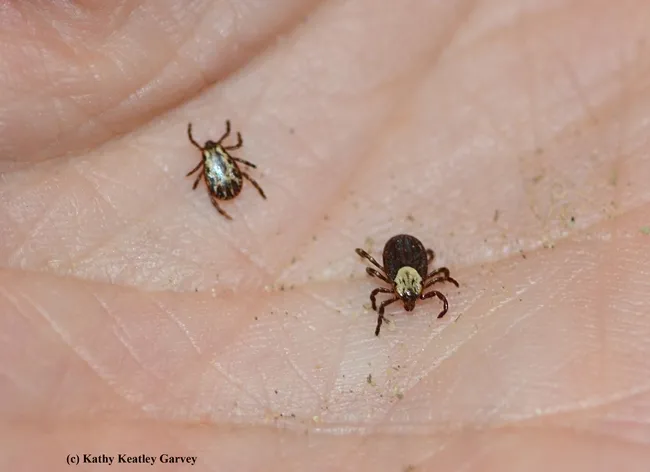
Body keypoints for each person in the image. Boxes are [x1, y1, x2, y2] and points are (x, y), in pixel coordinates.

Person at [2, 1, 648, 470]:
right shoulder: (410, 275)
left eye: (412, 287)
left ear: (414, 278)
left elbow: (408, 280)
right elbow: (418, 274)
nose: (412, 291)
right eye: (412, 288)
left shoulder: (403, 281)